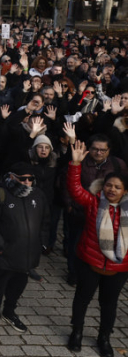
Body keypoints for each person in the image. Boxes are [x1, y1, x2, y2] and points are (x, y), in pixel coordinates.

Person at [66, 140, 128, 357]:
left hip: (118, 268)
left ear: (124, 191)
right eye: (109, 185)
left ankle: (104, 337)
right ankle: (77, 331)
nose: (112, 190)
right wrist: (75, 165)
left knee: (109, 304)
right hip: (89, 262)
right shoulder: (93, 202)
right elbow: (75, 190)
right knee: (82, 298)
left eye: (117, 187)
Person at [0, 162, 50, 334]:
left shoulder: (38, 195)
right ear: (12, 177)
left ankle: (9, 311)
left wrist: (42, 241)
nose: (27, 182)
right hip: (5, 251)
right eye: (23, 179)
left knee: (19, 284)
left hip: (28, 253)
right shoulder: (0, 194)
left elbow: (46, 219)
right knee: (0, 284)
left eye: (30, 179)